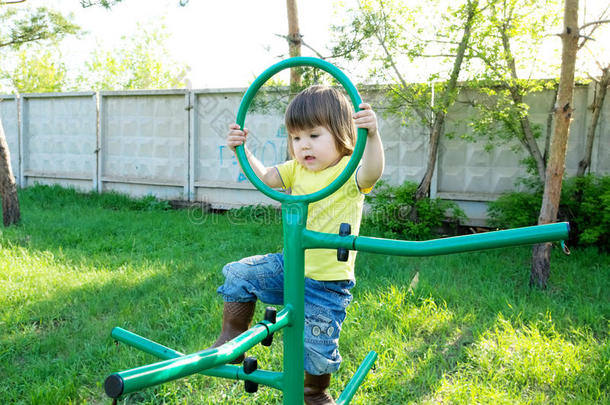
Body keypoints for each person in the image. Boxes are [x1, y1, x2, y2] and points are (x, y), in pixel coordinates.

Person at [211, 85, 384, 405]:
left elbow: (373, 171)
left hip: (328, 284)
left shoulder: (349, 170)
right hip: (289, 266)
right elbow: (265, 176)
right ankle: (232, 338)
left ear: (343, 133)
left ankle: (314, 392)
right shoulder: (297, 169)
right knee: (239, 273)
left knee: (316, 351)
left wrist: (372, 136)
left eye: (314, 136)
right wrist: (242, 151)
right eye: (295, 137)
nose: (303, 145)